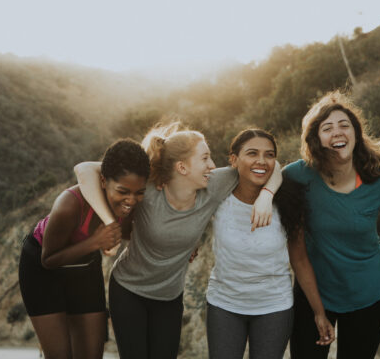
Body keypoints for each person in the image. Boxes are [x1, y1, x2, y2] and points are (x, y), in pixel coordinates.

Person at [74, 122, 282, 359]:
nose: (212, 165)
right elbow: (84, 169)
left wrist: (266, 195)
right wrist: (109, 221)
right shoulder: (148, 188)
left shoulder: (214, 185)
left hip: (169, 298)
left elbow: (269, 167)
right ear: (182, 167)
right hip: (128, 290)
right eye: (205, 159)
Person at [205, 129, 335, 359]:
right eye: (252, 153)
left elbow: (300, 260)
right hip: (224, 303)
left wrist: (319, 312)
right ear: (234, 160)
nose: (261, 161)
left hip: (273, 306)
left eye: (269, 155)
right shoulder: (218, 194)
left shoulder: (288, 203)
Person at [285, 92, 380, 359]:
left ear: (356, 134)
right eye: (327, 127)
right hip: (313, 293)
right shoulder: (299, 175)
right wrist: (265, 197)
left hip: (368, 294)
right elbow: (266, 174)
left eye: (344, 125)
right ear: (316, 139)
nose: (337, 132)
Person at [18, 139, 150, 359]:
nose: (131, 200)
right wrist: (95, 243)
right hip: (42, 269)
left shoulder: (131, 205)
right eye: (123, 191)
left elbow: (135, 232)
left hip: (84, 267)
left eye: (139, 193)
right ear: (103, 181)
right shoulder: (69, 204)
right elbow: (48, 260)